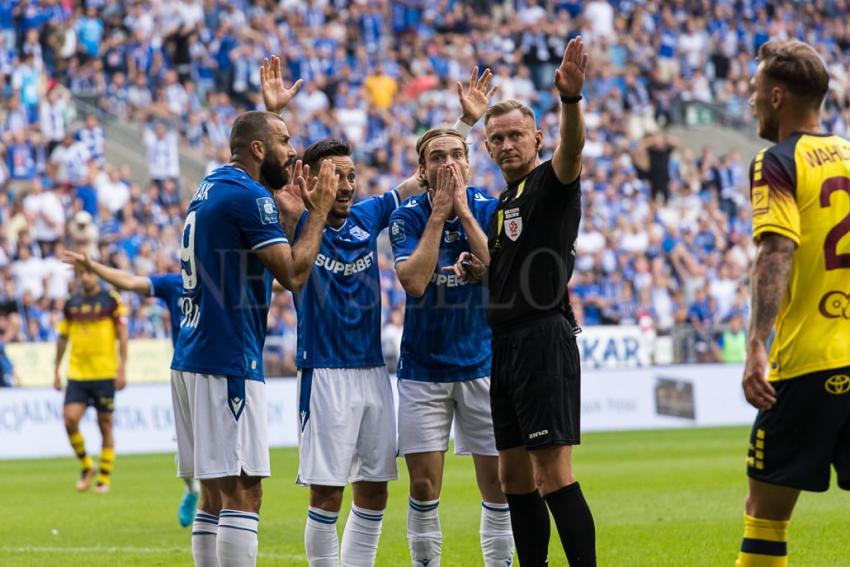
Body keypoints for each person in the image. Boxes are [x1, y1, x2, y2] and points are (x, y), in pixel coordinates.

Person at [261, 54, 422, 567]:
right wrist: (270, 115)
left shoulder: (368, 215)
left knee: (374, 489)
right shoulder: (292, 220)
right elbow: (262, 178)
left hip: (372, 372)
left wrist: (462, 125)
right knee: (327, 494)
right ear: (311, 181)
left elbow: (419, 180)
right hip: (325, 371)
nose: (348, 186)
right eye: (336, 178)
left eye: (352, 176)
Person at [170, 99, 338, 566]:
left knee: (213, 494)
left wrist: (285, 215)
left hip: (191, 354)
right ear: (259, 148)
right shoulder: (249, 196)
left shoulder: (211, 185)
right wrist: (318, 212)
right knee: (244, 493)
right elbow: (294, 274)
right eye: (285, 142)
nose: (294, 152)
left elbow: (252, 247)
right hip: (228, 357)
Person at [448, 37, 596, 566]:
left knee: (552, 473)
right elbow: (507, 269)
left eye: (516, 135)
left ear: (536, 138)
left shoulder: (550, 183)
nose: (507, 144)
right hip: (505, 343)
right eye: (497, 138)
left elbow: (573, 151)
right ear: (487, 148)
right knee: (512, 477)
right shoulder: (502, 204)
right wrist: (479, 273)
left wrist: (571, 102)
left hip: (542, 339)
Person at [388, 68, 513, 567]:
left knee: (499, 484)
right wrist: (439, 215)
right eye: (437, 157)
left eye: (456, 154)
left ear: (470, 159)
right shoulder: (407, 216)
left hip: (482, 363)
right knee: (422, 485)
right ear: (422, 168)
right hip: (422, 369)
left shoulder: (489, 207)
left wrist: (461, 211)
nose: (448, 162)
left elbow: (501, 272)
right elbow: (415, 281)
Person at [735, 39, 850, 567]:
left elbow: (777, 250)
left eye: (756, 91)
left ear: (778, 97)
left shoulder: (777, 161)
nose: (752, 100)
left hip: (809, 362)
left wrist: (757, 343)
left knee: (765, 514)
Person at [60, 249, 200, 527]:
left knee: (217, 454)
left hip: (222, 368)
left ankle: (215, 510)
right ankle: (192, 489)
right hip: (184, 371)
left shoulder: (226, 281)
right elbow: (130, 281)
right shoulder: (174, 283)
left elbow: (272, 281)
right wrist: (95, 266)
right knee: (186, 452)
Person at [54, 268, 129, 494]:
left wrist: (122, 368)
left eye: (88, 273)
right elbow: (62, 337)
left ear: (96, 275)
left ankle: (103, 478)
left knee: (104, 423)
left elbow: (122, 334)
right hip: (77, 373)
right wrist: (56, 368)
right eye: (81, 274)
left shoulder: (111, 300)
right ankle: (87, 465)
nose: (85, 277)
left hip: (104, 373)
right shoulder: (71, 303)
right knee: (69, 419)